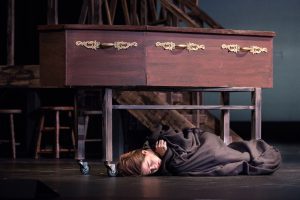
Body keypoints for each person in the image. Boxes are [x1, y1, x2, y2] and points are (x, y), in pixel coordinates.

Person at [117, 125, 281, 176]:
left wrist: (167, 151)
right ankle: (240, 157)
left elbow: (186, 140)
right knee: (183, 167)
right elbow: (177, 167)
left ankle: (248, 152)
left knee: (215, 153)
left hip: (203, 144)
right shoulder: (163, 166)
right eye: (151, 171)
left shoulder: (157, 139)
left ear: (145, 152)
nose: (155, 168)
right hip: (202, 158)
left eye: (150, 164)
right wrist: (165, 156)